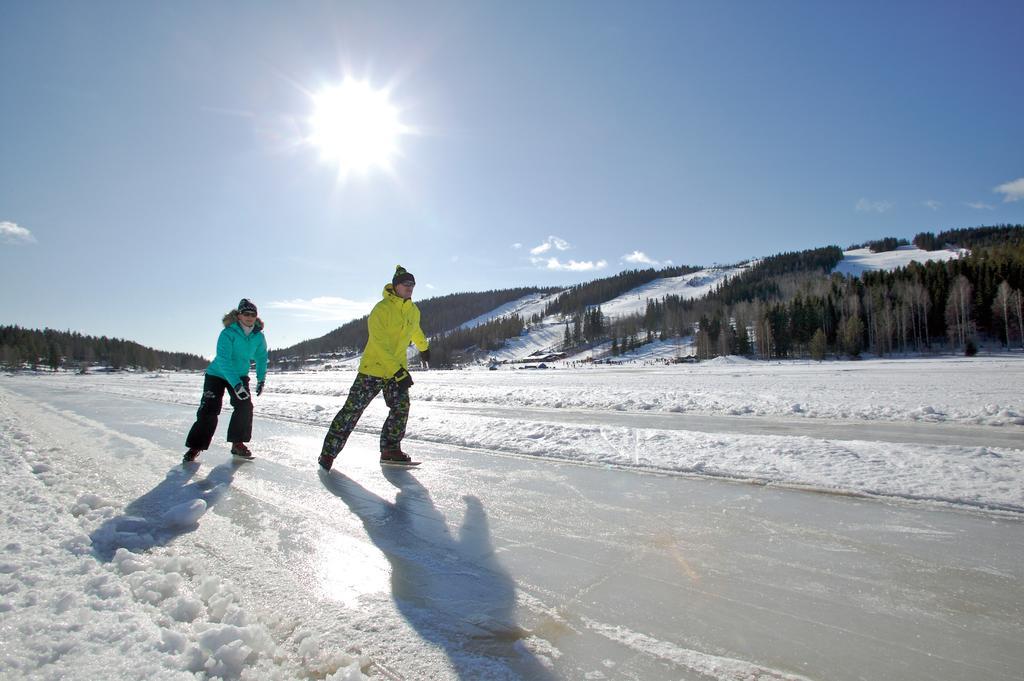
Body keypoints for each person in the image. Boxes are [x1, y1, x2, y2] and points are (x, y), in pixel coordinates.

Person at [319, 265, 430, 470]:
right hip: (373, 369)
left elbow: (415, 330)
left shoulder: (413, 310)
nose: (410, 287)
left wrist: (424, 348)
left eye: (413, 284)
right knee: (352, 411)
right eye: (406, 284)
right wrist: (398, 371)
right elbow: (379, 344)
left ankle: (390, 449)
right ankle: (328, 453)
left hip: (396, 370)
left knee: (401, 407)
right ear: (396, 286)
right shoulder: (381, 309)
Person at [183, 298, 268, 463]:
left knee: (245, 406)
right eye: (246, 313)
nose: (250, 317)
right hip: (217, 374)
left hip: (240, 374)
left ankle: (238, 444)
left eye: (253, 314)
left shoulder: (258, 337)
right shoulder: (228, 333)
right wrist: (236, 385)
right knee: (209, 410)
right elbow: (224, 360)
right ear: (239, 315)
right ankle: (195, 446)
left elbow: (261, 357)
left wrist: (261, 379)